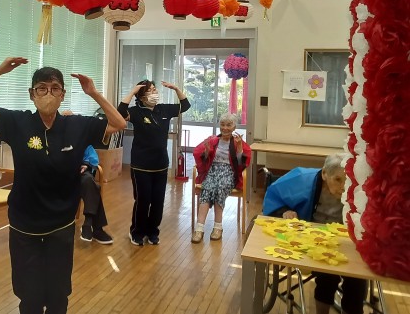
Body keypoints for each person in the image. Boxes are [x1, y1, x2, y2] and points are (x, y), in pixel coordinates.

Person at [0, 57, 126, 314]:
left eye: (55, 88)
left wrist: (94, 93)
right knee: (28, 296)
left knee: (58, 295)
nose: (48, 94)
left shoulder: (77, 125)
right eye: (41, 88)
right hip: (24, 224)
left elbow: (119, 124)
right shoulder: (17, 123)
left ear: (63, 95)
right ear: (32, 95)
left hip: (61, 224)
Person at [262, 154, 367, 314]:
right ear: (324, 173)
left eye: (347, 181)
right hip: (311, 240)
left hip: (345, 241)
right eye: (337, 180)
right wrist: (285, 211)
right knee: (328, 274)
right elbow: (273, 195)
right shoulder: (302, 179)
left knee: (357, 277)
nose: (343, 187)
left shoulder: (357, 188)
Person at [118, 79, 191, 246]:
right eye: (150, 91)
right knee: (143, 201)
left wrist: (176, 89)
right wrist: (132, 91)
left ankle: (153, 232)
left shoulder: (163, 109)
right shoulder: (136, 112)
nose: (154, 93)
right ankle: (136, 232)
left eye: (154, 90)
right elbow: (120, 112)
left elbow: (185, 105)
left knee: (158, 201)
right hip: (141, 165)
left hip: (161, 164)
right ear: (141, 97)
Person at [191, 113, 251, 243]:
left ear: (234, 127)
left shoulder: (238, 142)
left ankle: (218, 227)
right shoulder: (213, 140)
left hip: (229, 172)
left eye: (229, 125)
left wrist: (240, 149)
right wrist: (207, 151)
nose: (225, 128)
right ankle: (199, 228)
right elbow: (200, 156)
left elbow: (241, 164)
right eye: (222, 125)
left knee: (220, 188)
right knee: (207, 188)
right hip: (212, 171)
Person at [79, 145, 113, 244]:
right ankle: (96, 228)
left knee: (89, 181)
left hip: (80, 172)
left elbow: (92, 157)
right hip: (61, 174)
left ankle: (88, 223)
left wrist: (86, 164)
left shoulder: (81, 139)